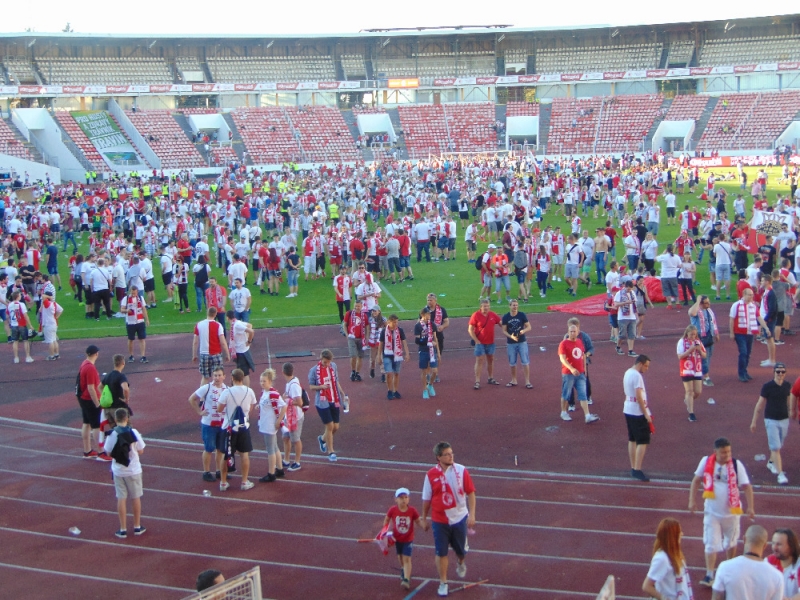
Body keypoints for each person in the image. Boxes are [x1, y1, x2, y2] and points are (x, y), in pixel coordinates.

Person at [689, 437, 755, 588]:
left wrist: (751, 507)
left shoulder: (736, 465)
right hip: (712, 512)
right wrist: (692, 500)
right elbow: (696, 480)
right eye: (723, 452)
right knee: (710, 543)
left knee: (731, 543)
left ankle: (728, 571)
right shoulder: (706, 462)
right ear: (715, 452)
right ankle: (709, 575)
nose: (727, 455)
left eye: (729, 452)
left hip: (731, 514)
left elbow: (746, 486)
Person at [421, 442, 477, 598]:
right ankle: (443, 582)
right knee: (441, 552)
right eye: (446, 454)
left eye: (451, 453)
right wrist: (424, 518)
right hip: (440, 520)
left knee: (461, 551)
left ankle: (460, 561)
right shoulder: (431, 475)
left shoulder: (461, 470)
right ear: (438, 457)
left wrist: (472, 514)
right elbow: (426, 499)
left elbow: (471, 493)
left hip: (459, 517)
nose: (451, 456)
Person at [104, 407, 146, 539]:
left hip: (118, 471)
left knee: (121, 498)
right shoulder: (133, 432)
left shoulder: (112, 434)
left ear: (115, 419)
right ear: (127, 418)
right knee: (136, 497)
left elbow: (108, 452)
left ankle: (123, 529)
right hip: (133, 470)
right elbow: (141, 450)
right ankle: (137, 526)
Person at [711, 525, 783, 600]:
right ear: (765, 545)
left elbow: (716, 597)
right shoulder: (777, 576)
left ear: (744, 539)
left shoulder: (725, 567)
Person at [750, 362, 791, 485]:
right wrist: (754, 422)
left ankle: (772, 462)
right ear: (774, 372)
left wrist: (791, 411)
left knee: (779, 444)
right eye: (778, 371)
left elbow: (789, 401)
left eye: (782, 372)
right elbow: (760, 404)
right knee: (775, 447)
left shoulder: (787, 385)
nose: (780, 374)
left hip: (784, 420)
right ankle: (780, 474)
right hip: (771, 420)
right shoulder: (767, 387)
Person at [217, 368, 257, 491]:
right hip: (243, 427)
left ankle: (223, 482)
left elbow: (219, 409)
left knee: (226, 454)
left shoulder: (227, 392)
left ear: (232, 378)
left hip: (228, 427)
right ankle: (244, 481)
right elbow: (251, 408)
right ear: (242, 378)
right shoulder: (249, 391)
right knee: (244, 454)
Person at [308, 349, 349, 462]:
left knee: (336, 427)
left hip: (334, 399)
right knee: (330, 426)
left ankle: (322, 439)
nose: (327, 364)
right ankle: (331, 451)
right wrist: (320, 387)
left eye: (328, 362)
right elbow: (311, 387)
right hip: (322, 402)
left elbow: (336, 381)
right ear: (321, 359)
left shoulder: (333, 367)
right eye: (325, 362)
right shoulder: (313, 371)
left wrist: (343, 394)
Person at [188, 366, 228, 483]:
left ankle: (219, 471)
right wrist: (199, 412)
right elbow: (192, 399)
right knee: (209, 448)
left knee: (220, 449)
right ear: (212, 376)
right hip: (209, 424)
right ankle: (206, 472)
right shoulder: (206, 388)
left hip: (222, 424)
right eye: (215, 375)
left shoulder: (227, 389)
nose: (217, 378)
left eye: (219, 375)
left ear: (224, 377)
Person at [642, 518, 693, 600]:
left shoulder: (674, 553)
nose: (682, 534)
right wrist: (665, 598)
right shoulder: (662, 558)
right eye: (679, 532)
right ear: (672, 536)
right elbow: (647, 586)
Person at [559, 322, 600, 424]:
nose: (572, 333)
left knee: (583, 394)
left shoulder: (579, 342)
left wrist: (584, 369)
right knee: (566, 393)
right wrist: (571, 368)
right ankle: (563, 412)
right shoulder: (563, 344)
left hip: (580, 374)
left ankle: (587, 415)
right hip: (568, 374)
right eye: (571, 331)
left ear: (578, 332)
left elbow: (583, 356)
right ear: (568, 332)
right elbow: (562, 359)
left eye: (574, 331)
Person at [384, 487, 424, 591]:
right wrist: (385, 532)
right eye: (401, 498)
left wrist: (423, 525)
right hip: (397, 539)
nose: (404, 500)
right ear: (396, 499)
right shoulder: (392, 510)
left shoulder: (412, 510)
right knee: (400, 557)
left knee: (407, 558)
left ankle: (406, 579)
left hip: (408, 539)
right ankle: (403, 568)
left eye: (406, 497)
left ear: (408, 499)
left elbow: (418, 521)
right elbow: (387, 519)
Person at [77, 344, 111, 461]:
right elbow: (91, 388)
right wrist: (97, 403)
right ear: (96, 354)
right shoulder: (90, 368)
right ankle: (100, 452)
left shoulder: (84, 364)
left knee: (86, 423)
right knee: (96, 426)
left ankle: (87, 450)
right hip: (90, 400)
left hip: (83, 398)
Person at [729, 288, 770, 383]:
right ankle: (741, 373)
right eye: (749, 295)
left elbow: (759, 317)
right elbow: (731, 319)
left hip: (750, 333)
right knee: (743, 352)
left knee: (748, 353)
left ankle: (744, 371)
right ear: (744, 295)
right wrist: (731, 332)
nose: (751, 296)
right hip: (740, 333)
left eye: (752, 295)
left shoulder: (753, 306)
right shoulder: (736, 305)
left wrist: (766, 328)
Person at [624, 355, 652, 481]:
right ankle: (637, 468)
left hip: (628, 408)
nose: (646, 369)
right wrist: (646, 413)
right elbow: (639, 396)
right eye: (646, 366)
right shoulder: (637, 376)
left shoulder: (627, 372)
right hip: (637, 411)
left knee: (632, 438)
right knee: (643, 440)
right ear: (640, 363)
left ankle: (633, 466)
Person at [256, 368, 287, 483]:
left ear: (270, 381)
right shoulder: (264, 392)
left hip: (269, 425)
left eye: (264, 381)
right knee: (274, 447)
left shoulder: (273, 393)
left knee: (270, 449)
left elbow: (284, 406)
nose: (262, 383)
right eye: (261, 381)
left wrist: (279, 420)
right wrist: (259, 406)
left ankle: (271, 473)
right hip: (265, 423)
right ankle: (279, 469)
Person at [468, 299, 502, 389]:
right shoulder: (476, 315)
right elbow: (470, 329)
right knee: (479, 360)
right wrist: (476, 340)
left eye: (487, 306)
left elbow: (501, 323)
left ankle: (490, 378)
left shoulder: (492, 314)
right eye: (484, 306)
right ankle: (477, 381)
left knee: (490, 359)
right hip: (480, 342)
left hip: (491, 342)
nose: (486, 308)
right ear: (481, 307)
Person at [192, 307, 230, 385]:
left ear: (207, 313)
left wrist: (194, 355)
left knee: (205, 377)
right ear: (215, 314)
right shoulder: (218, 325)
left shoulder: (199, 325)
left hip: (204, 354)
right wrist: (227, 354)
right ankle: (217, 392)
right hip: (216, 354)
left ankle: (203, 393)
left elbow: (195, 342)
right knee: (218, 377)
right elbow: (223, 342)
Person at [677, 325, 706, 422]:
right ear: (687, 333)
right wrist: (690, 349)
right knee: (689, 391)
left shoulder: (698, 342)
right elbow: (680, 356)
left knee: (698, 392)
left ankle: (688, 400)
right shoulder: (682, 342)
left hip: (697, 369)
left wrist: (699, 350)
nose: (693, 336)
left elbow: (704, 355)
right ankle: (691, 413)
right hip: (686, 369)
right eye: (691, 334)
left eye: (694, 334)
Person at [689, 295, 719, 387]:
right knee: (704, 358)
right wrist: (697, 301)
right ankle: (706, 377)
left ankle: (699, 371)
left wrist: (716, 333)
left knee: (708, 356)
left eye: (709, 302)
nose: (709, 304)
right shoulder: (696, 311)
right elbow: (691, 313)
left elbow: (713, 322)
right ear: (701, 304)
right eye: (706, 303)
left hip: (709, 335)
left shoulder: (709, 311)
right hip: (699, 337)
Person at [502, 299, 532, 388]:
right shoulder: (506, 317)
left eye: (516, 305)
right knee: (512, 362)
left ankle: (527, 381)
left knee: (525, 361)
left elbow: (529, 327)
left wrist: (523, 331)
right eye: (513, 305)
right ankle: (514, 380)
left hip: (522, 342)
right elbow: (504, 330)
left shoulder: (521, 315)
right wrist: (510, 336)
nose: (515, 307)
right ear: (509, 306)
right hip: (511, 343)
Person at [281, 362, 304, 472]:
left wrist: (287, 401)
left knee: (295, 440)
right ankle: (286, 460)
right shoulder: (291, 382)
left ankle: (297, 462)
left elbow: (300, 402)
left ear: (283, 372)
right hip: (288, 416)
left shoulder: (294, 385)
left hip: (295, 417)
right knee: (285, 437)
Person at [381, 314, 409, 400]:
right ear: (389, 322)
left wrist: (407, 353)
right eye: (394, 322)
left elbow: (404, 342)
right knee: (389, 373)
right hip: (387, 354)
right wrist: (378, 355)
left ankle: (395, 390)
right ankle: (389, 390)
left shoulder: (400, 330)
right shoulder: (384, 331)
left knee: (396, 373)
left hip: (397, 355)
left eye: (397, 322)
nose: (396, 324)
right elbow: (381, 343)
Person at [766, 528, 800, 598]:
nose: (774, 548)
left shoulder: (798, 565)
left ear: (791, 547)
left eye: (779, 544)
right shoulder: (769, 561)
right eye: (773, 543)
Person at [414, 307, 440, 399]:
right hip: (423, 350)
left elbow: (435, 337)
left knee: (435, 371)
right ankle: (424, 389)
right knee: (424, 371)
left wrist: (438, 352)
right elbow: (417, 341)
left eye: (429, 314)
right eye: (427, 314)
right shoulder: (418, 326)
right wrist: (428, 342)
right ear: (422, 315)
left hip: (432, 350)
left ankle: (430, 384)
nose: (429, 315)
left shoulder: (432, 324)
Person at [120, 285, 150, 363]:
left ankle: (143, 356)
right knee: (130, 339)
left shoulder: (140, 298)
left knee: (142, 339)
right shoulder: (126, 299)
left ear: (137, 292)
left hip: (140, 321)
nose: (133, 294)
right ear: (130, 291)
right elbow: (121, 309)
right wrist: (127, 310)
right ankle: (131, 355)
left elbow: (144, 309)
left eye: (135, 293)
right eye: (132, 293)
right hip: (130, 322)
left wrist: (147, 319)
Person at [226, 310, 255, 388]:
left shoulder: (236, 325)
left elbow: (251, 331)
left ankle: (246, 390)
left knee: (244, 373)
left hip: (242, 352)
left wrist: (249, 341)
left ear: (227, 318)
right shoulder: (237, 322)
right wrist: (246, 337)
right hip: (241, 350)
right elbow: (249, 325)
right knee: (242, 371)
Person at [426, 293, 449, 384]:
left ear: (435, 301)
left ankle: (435, 373)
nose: (429, 302)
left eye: (431, 300)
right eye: (428, 300)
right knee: (428, 355)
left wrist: (442, 326)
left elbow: (446, 322)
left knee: (438, 355)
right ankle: (428, 374)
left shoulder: (441, 310)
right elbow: (419, 322)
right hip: (428, 336)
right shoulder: (424, 310)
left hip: (438, 336)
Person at [614, 277, 639, 357]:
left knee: (632, 334)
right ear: (625, 286)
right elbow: (616, 304)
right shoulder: (619, 293)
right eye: (628, 289)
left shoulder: (632, 293)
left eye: (630, 289)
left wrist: (636, 314)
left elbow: (635, 304)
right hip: (622, 317)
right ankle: (618, 347)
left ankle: (630, 350)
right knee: (622, 334)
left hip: (632, 316)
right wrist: (625, 303)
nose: (629, 290)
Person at [343, 299, 366, 382]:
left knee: (360, 356)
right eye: (356, 306)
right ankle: (353, 371)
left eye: (358, 306)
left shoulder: (364, 315)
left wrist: (366, 337)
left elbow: (367, 326)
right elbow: (344, 325)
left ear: (362, 306)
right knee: (353, 355)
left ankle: (357, 372)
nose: (357, 307)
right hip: (352, 337)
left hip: (361, 338)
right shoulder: (349, 313)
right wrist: (347, 335)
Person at [7, 290, 33, 363]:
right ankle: (27, 357)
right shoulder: (21, 304)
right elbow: (25, 315)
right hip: (22, 325)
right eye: (20, 295)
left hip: (13, 325)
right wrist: (30, 325)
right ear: (17, 296)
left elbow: (7, 315)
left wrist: (10, 323)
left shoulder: (9, 305)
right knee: (25, 341)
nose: (21, 296)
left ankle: (16, 358)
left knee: (15, 341)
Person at [40, 289, 63, 360]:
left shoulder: (47, 303)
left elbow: (43, 296)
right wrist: (56, 317)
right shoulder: (54, 303)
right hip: (54, 323)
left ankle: (51, 356)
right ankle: (56, 354)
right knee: (54, 340)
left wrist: (48, 297)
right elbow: (61, 310)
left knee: (50, 341)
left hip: (48, 324)